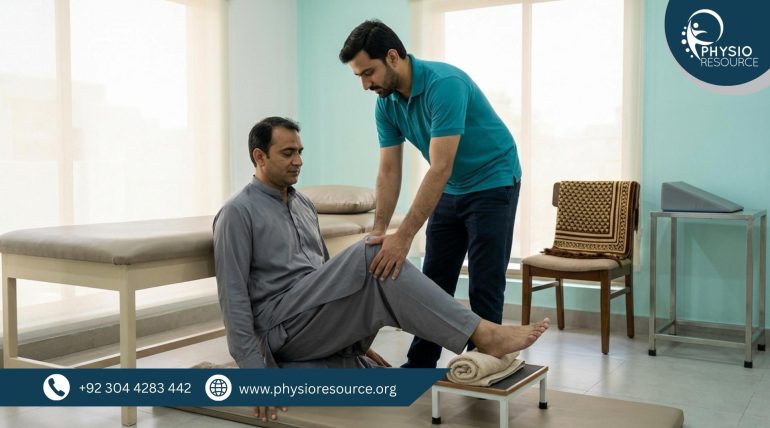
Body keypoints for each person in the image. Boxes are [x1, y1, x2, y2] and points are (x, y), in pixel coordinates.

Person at [213, 116, 549, 422]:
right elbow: (234, 301)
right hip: (279, 326)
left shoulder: (302, 204)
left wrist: (352, 332)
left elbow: (325, 278)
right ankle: (482, 333)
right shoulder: (237, 213)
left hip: (311, 320)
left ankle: (336, 357)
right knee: (372, 250)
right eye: (287, 153)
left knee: (375, 270)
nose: (298, 161)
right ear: (259, 157)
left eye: (300, 151)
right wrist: (256, 378)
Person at [339, 20, 524, 368]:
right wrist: (381, 231)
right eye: (359, 77)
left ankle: (483, 366)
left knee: (485, 280)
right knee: (433, 281)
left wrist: (405, 235)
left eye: (369, 73)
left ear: (393, 57)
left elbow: (440, 167)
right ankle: (421, 363)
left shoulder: (445, 85)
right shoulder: (386, 105)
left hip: (493, 179)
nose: (365, 84)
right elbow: (389, 170)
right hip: (452, 187)